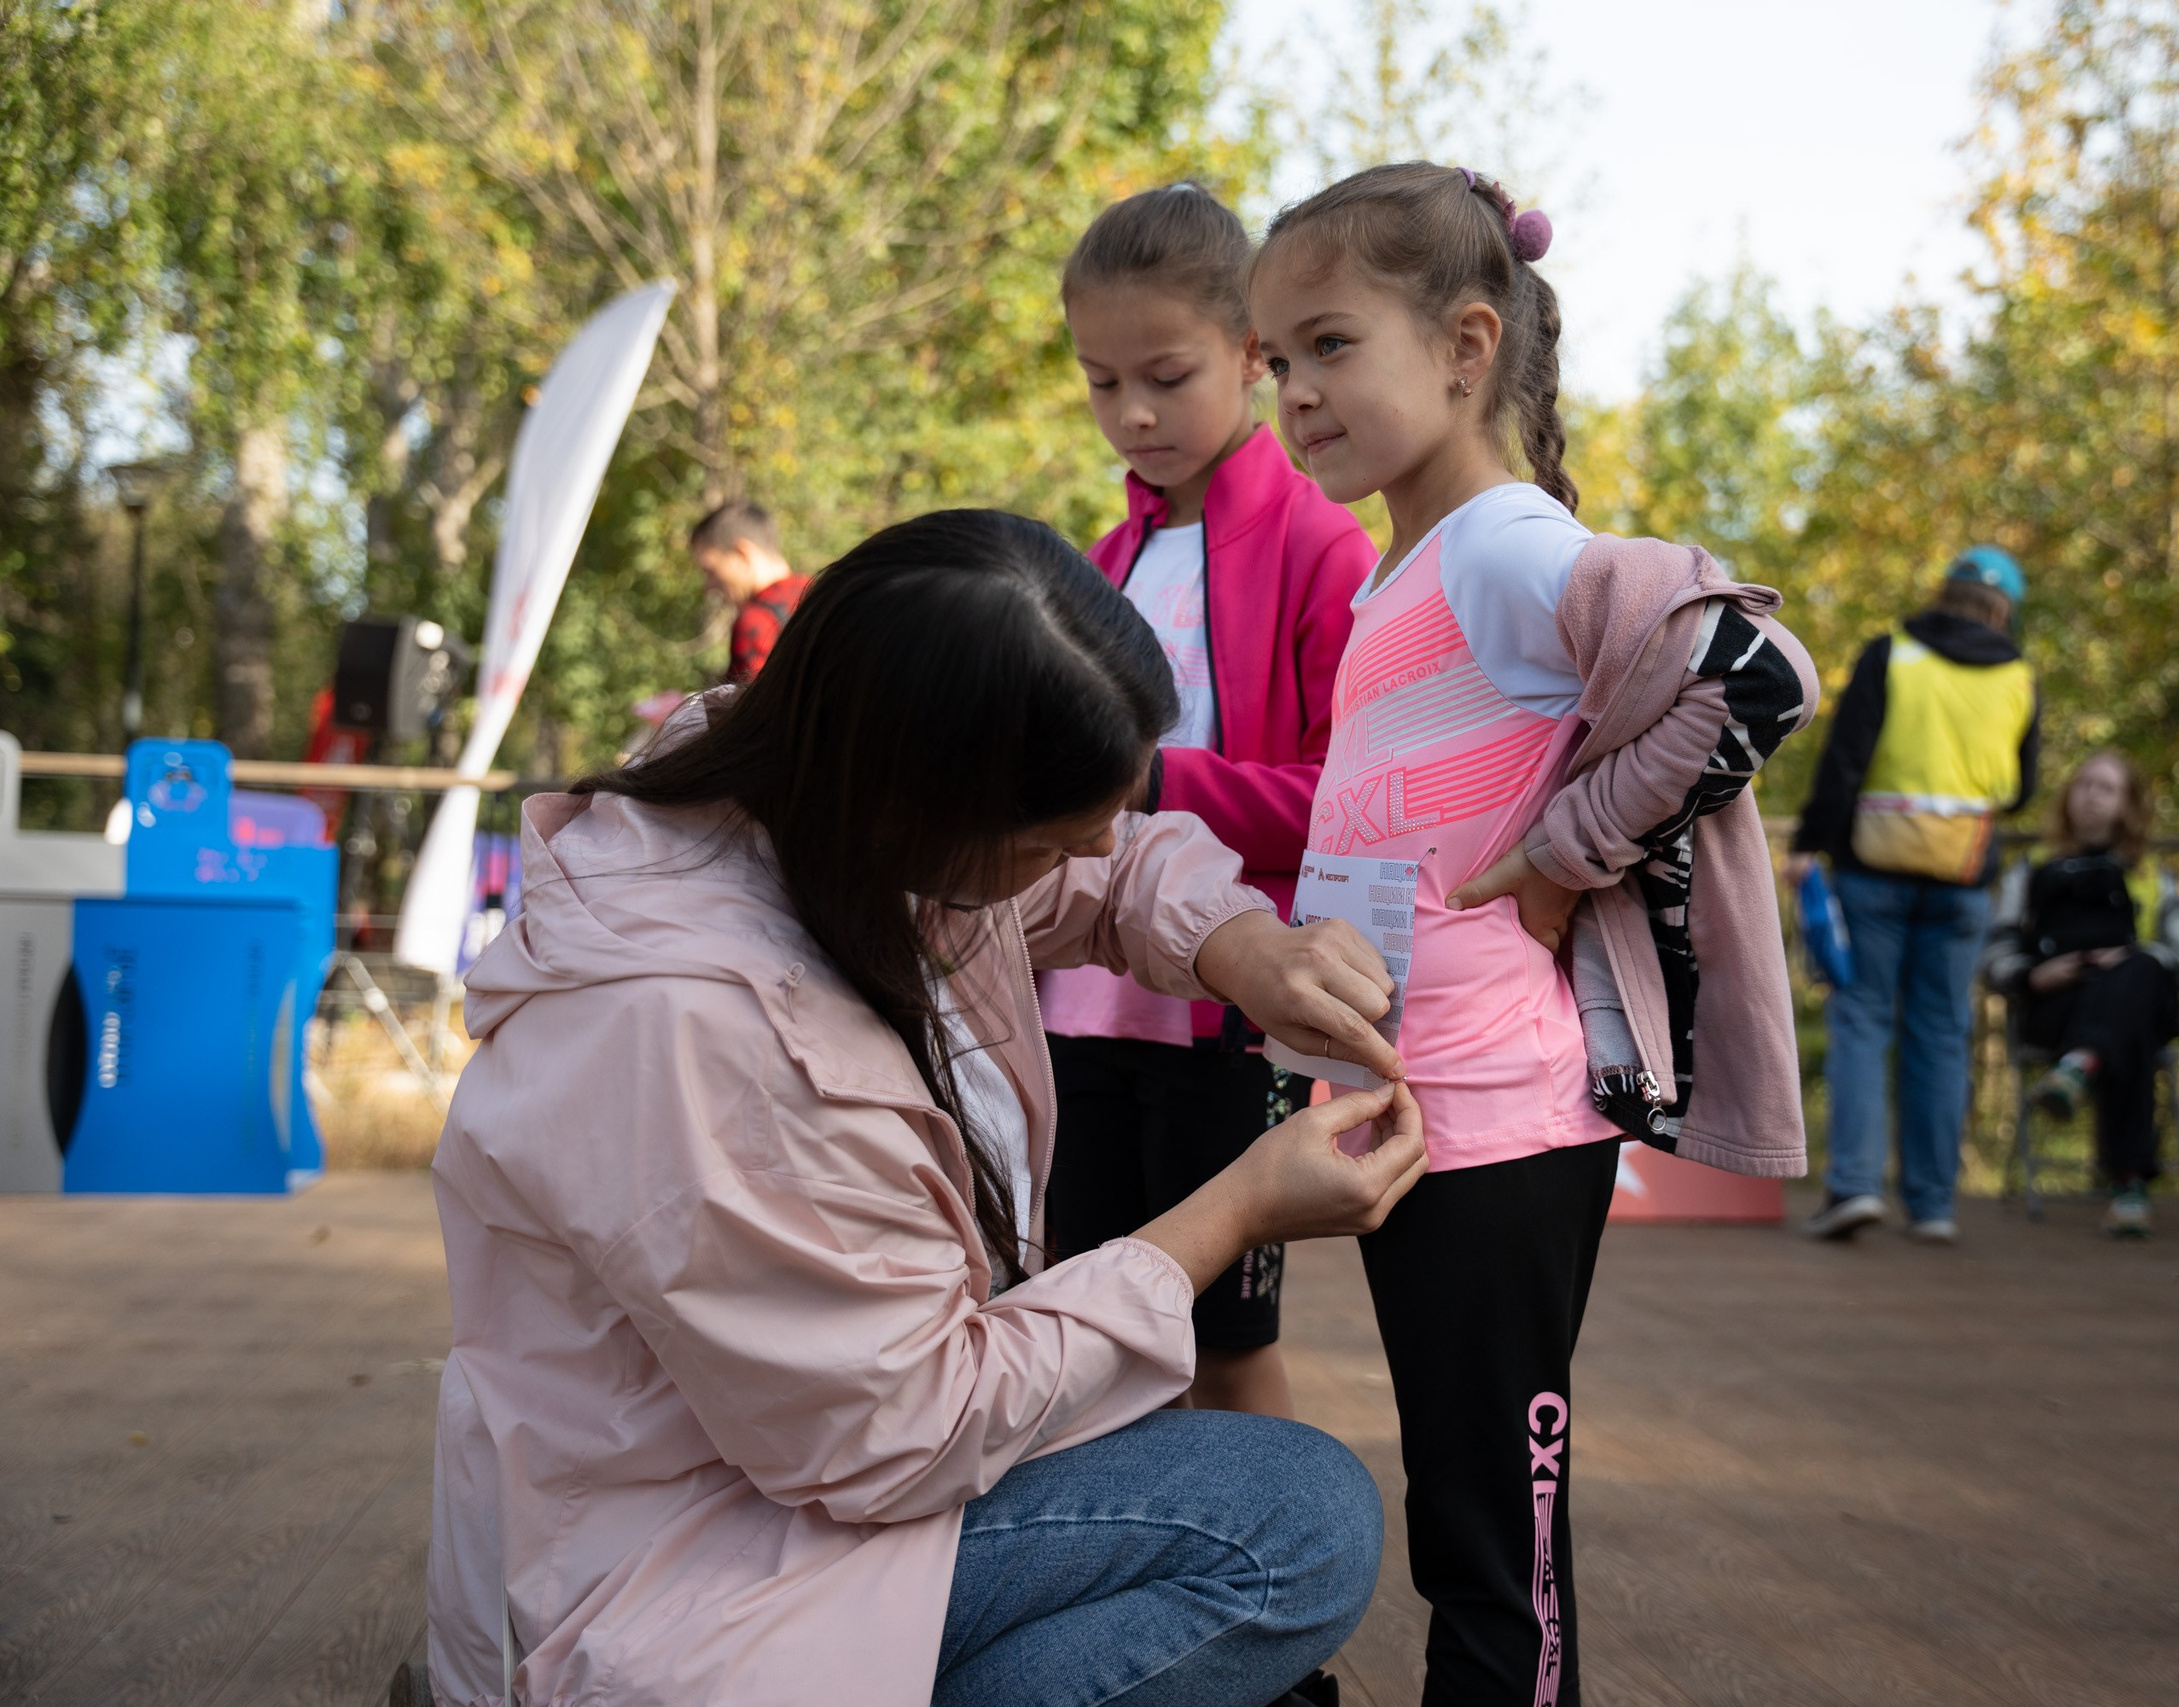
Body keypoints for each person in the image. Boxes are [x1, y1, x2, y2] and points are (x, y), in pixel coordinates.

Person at [425, 510, 1435, 1707]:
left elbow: (1107, 867)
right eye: (1057, 833)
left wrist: (1240, 943)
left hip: (765, 1489)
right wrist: (1232, 1216)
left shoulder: (802, 804)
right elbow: (905, 1431)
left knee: (1259, 1496)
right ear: (934, 808)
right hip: (689, 1582)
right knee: (1297, 1520)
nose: (1096, 849)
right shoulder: (707, 1041)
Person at [1250, 162, 1815, 1707]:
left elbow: (1757, 669)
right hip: (1418, 1099)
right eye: (1275, 360)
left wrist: (1569, 852)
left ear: (1465, 342)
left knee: (1498, 1534)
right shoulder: (1407, 563)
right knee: (1465, 1507)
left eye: (1328, 344)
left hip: (1500, 1113)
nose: (1294, 392)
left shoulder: (1503, 544)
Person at [1040, 183, 1376, 1419]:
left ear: (1250, 352)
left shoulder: (1324, 547)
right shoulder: (1097, 560)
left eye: (1165, 375)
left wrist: (1149, 782)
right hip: (1081, 1001)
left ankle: (1267, 1590)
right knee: (1083, 1325)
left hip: (1232, 1009)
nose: (1131, 413)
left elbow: (1346, 805)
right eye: (1097, 380)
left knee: (1223, 1345)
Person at [1786, 546, 2041, 1245]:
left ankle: (1856, 1188)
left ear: (1944, 592)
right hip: (1963, 878)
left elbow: (1844, 762)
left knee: (1863, 1022)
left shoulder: (1891, 654)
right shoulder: (2019, 677)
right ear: (2003, 609)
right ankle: (1932, 1203)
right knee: (1942, 1032)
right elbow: (2021, 787)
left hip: (1873, 870)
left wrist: (1808, 842)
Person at [1981, 751, 2179, 1237]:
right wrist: (2036, 974)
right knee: (2128, 1032)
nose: (2090, 795)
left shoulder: (2152, 874)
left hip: (2136, 991)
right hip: (2057, 1000)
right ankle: (2129, 1186)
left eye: (2106, 787)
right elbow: (1993, 952)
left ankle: (2079, 1067)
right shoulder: (2031, 869)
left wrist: (2128, 962)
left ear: (2128, 804)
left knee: (2138, 981)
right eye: (2083, 783)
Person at [689, 500, 810, 684]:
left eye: (711, 571)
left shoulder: (756, 621)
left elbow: (751, 709)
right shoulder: (820, 591)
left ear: (741, 554)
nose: (708, 587)